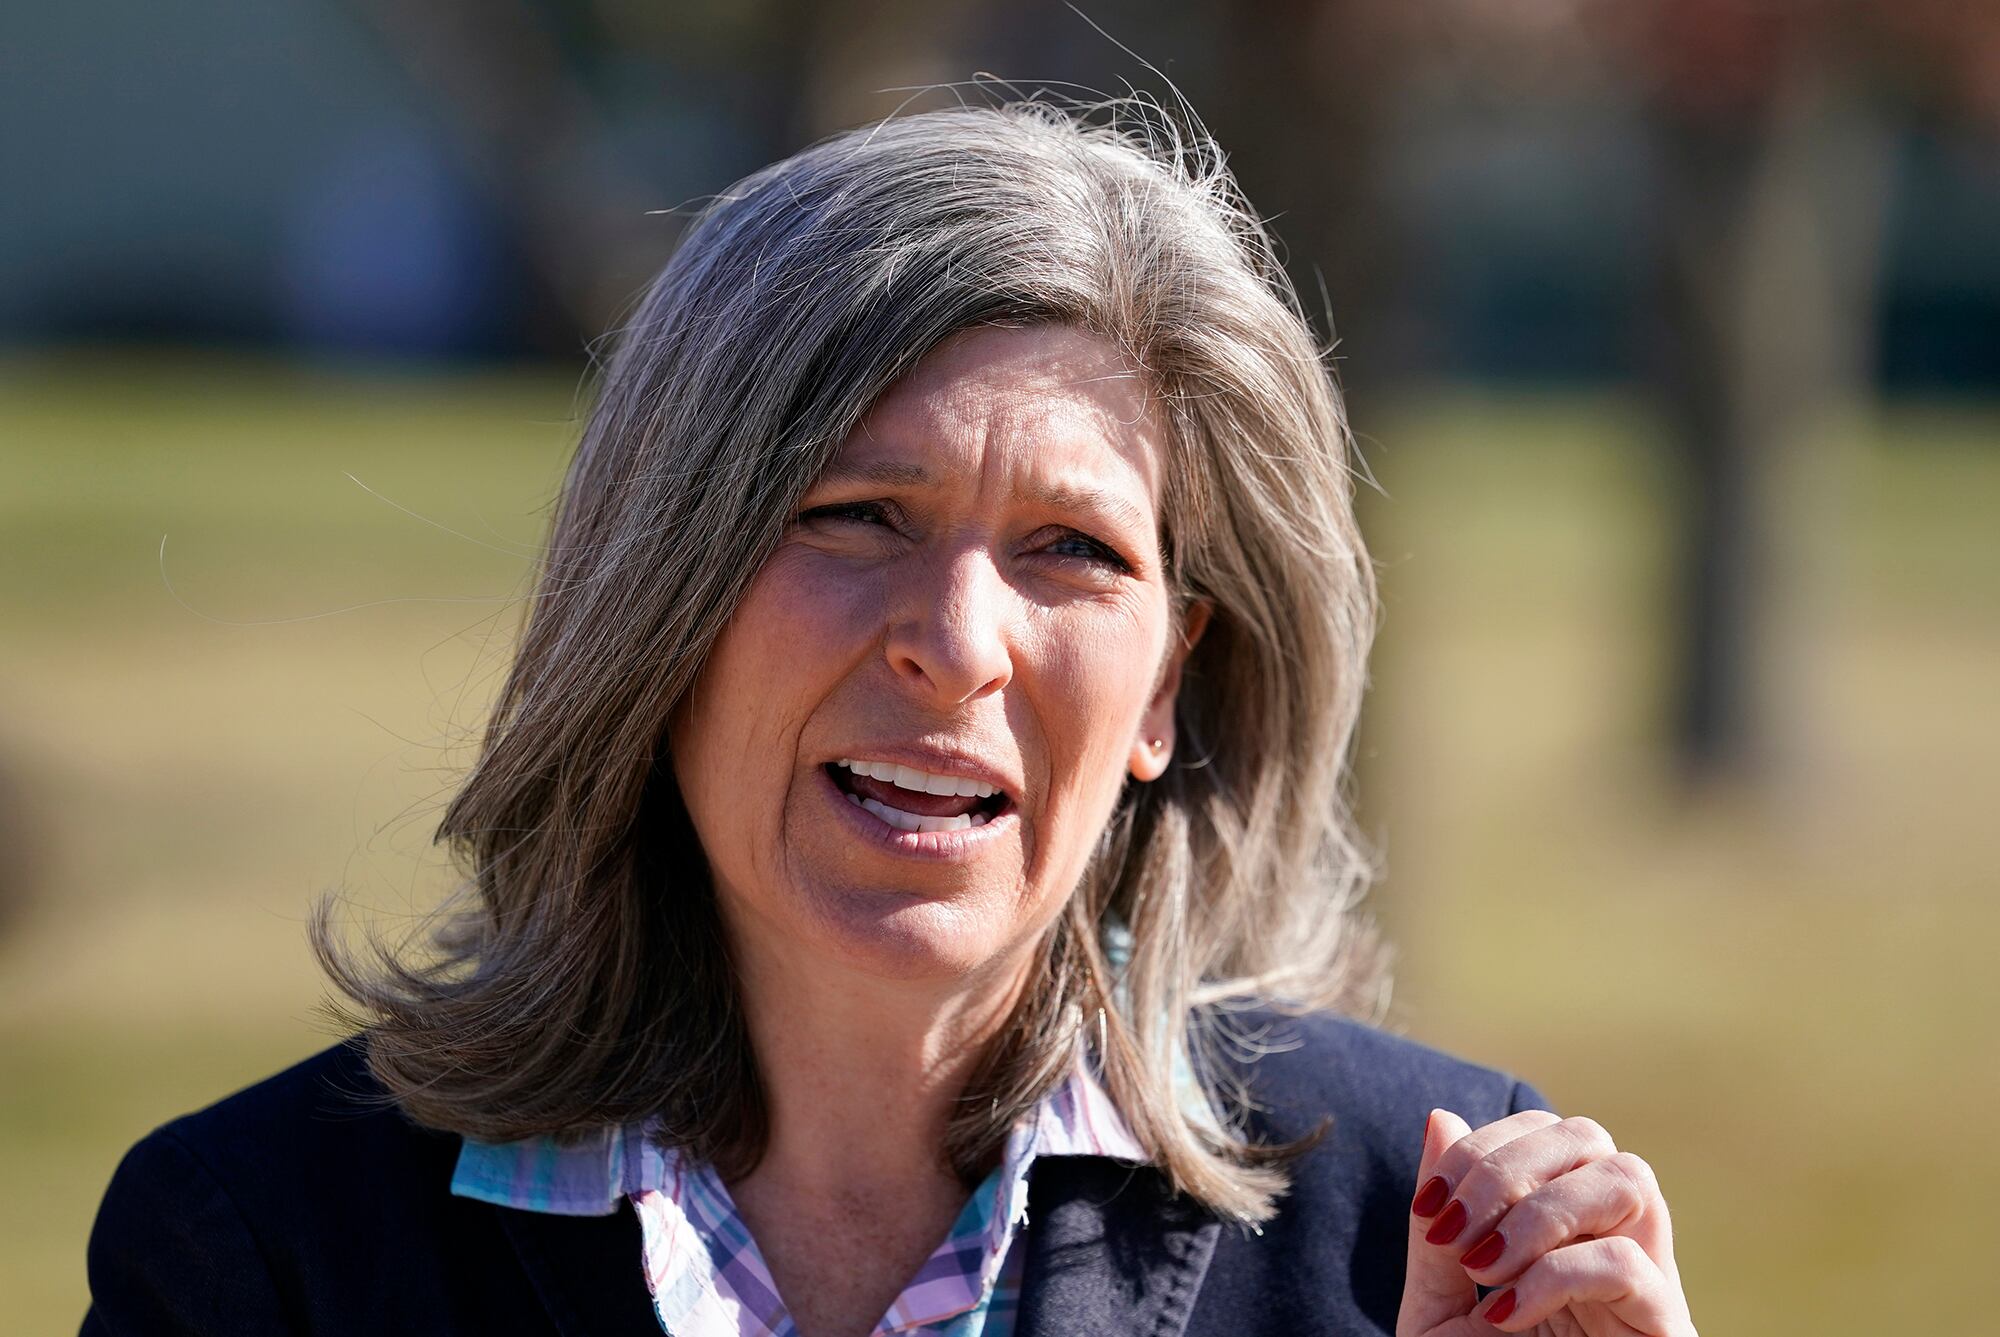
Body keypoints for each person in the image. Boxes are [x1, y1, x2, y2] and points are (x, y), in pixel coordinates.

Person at [81, 101, 1697, 1336]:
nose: (957, 644)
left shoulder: (1425, 1230)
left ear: (1169, 685)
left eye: (1073, 550)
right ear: (667, 602)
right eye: (857, 514)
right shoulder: (263, 1247)